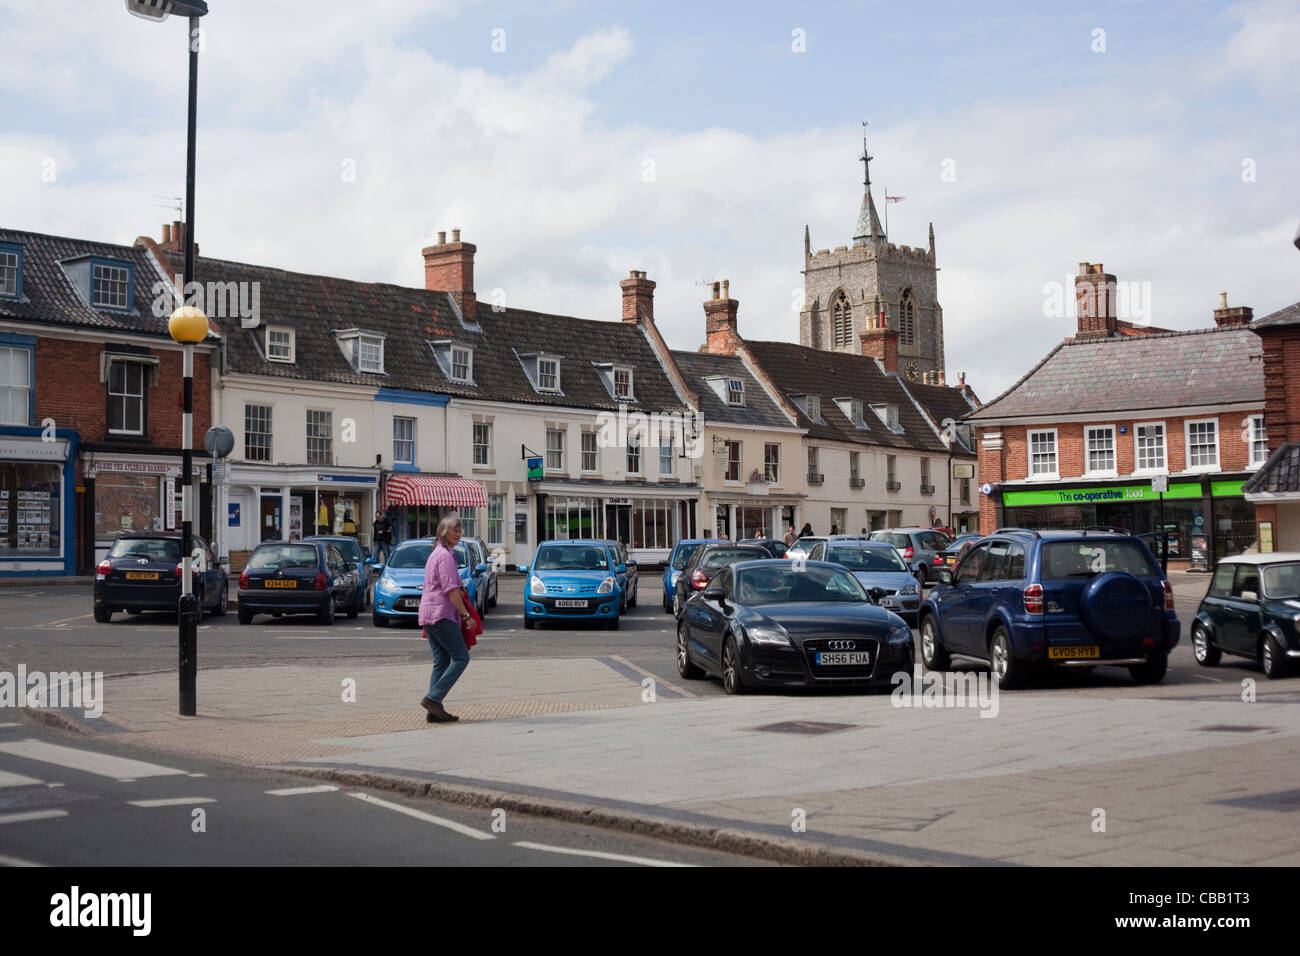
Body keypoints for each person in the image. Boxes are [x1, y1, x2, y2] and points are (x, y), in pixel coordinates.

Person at [417, 515, 473, 723]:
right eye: (455, 530)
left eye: (460, 531)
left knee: (441, 660)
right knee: (461, 657)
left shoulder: (437, 554)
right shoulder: (444, 556)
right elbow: (451, 590)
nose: (458, 534)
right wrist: (466, 616)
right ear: (443, 532)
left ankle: (435, 710)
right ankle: (433, 698)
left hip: (428, 614)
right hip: (441, 613)